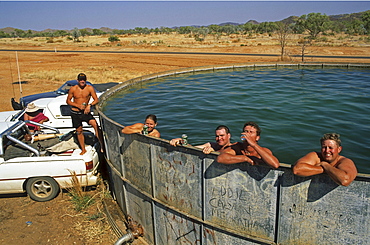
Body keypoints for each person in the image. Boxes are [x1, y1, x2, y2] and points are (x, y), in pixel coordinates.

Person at [292, 133, 357, 186]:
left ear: (339, 149)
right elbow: (297, 169)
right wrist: (327, 170)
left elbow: (345, 181)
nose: (327, 151)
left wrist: (325, 165)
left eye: (331, 148)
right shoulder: (316, 156)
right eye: (324, 147)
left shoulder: (344, 161)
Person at [66, 73, 103, 155]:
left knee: (95, 125)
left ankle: (102, 146)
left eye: (84, 80)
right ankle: (83, 149)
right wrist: (77, 105)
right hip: (75, 112)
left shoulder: (89, 88)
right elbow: (68, 101)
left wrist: (89, 105)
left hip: (85, 112)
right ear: (77, 80)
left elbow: (96, 99)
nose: (82, 81)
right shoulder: (73, 89)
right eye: (80, 80)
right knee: (79, 131)